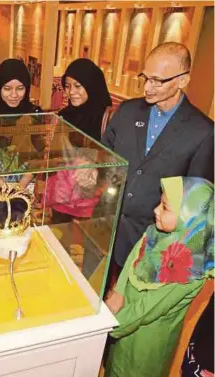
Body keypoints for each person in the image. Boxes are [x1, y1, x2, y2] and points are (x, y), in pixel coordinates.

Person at [102, 42, 214, 269]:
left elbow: (194, 204)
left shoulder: (203, 132)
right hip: (103, 228)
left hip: (152, 243)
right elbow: (103, 156)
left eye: (157, 81)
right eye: (145, 78)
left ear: (182, 80)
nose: (147, 87)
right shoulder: (127, 111)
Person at [105, 176, 214, 377]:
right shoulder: (157, 232)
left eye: (165, 207)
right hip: (124, 316)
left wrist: (107, 326)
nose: (156, 210)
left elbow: (148, 309)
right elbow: (134, 256)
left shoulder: (189, 271)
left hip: (146, 340)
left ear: (189, 218)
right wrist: (119, 291)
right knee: (113, 366)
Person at [59, 58, 112, 142]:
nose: (71, 92)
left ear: (91, 86)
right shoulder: (64, 115)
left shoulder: (108, 121)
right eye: (67, 86)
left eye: (77, 86)